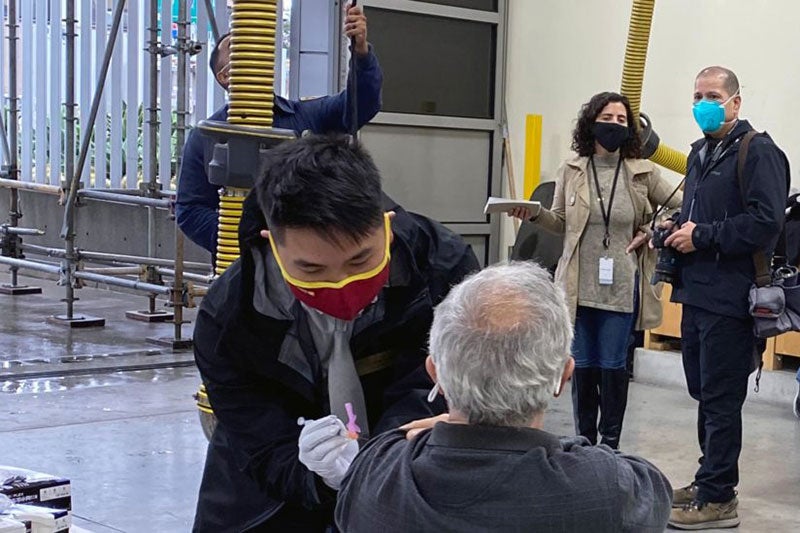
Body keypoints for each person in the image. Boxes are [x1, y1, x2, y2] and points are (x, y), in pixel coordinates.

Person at [191, 134, 479, 531]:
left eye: (361, 259)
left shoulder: (443, 270)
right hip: (264, 501)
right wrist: (319, 477)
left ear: (386, 224)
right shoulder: (229, 321)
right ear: (271, 243)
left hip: (403, 482)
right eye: (312, 270)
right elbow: (260, 445)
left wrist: (376, 460)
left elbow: (432, 387)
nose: (342, 283)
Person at [335, 262, 673, 533]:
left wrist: (435, 429)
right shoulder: (611, 490)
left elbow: (377, 456)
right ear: (563, 377)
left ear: (435, 372)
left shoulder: (375, 476)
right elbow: (656, 490)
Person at [509, 91, 682, 450]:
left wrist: (652, 231)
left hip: (621, 284)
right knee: (584, 365)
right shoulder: (572, 169)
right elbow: (560, 222)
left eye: (622, 120)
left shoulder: (644, 172)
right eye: (608, 118)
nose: (614, 125)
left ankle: (611, 445)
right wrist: (534, 214)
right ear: (592, 122)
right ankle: (584, 442)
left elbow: (680, 206)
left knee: (614, 364)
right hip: (577, 284)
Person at [662, 66, 789, 530]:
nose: (703, 102)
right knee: (703, 392)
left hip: (732, 297)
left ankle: (720, 496)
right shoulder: (700, 153)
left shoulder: (760, 153)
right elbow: (696, 216)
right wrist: (673, 230)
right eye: (697, 94)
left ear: (736, 102)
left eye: (712, 94)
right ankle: (708, 476)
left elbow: (766, 221)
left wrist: (706, 236)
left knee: (720, 398)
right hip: (696, 293)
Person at [177, 3, 383, 254]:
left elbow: (362, 104)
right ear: (224, 75)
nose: (250, 43)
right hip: (237, 264)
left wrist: (360, 52)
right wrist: (244, 240)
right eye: (237, 44)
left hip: (306, 262)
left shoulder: (306, 117)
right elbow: (190, 210)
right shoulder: (206, 137)